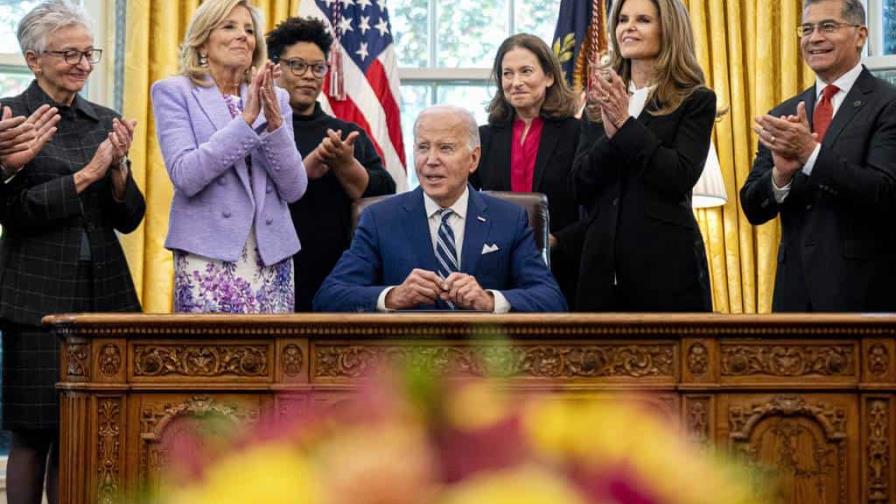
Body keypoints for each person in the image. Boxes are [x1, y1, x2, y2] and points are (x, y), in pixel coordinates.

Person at [0, 2, 145, 503]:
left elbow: (128, 218)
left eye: (89, 53)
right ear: (34, 58)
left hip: (101, 293)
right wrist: (86, 176)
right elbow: (14, 212)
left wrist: (119, 170)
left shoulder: (101, 120)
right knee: (33, 430)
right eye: (70, 54)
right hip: (35, 299)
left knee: (82, 429)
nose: (83, 64)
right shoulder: (8, 118)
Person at [313, 105, 566, 313]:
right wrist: (392, 296)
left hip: (485, 364)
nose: (431, 160)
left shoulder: (509, 219)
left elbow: (551, 299)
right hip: (408, 365)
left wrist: (489, 300)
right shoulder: (380, 219)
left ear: (473, 159)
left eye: (445, 148)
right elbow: (328, 297)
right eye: (423, 147)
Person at [152, 0, 307, 313]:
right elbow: (186, 175)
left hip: (271, 256)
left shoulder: (276, 97)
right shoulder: (174, 91)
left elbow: (294, 188)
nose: (243, 36)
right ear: (203, 41)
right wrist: (246, 121)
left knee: (272, 359)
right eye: (230, 26)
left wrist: (275, 124)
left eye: (249, 30)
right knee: (208, 359)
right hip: (207, 256)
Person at [741, 0, 896, 312]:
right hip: (794, 294)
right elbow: (753, 208)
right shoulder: (784, 113)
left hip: (864, 293)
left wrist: (810, 154)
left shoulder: (887, 103)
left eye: (828, 27)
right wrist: (780, 176)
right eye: (807, 29)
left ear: (861, 35)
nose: (814, 38)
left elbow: (885, 191)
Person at [572, 0, 715, 311]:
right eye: (622, 19)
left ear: (668, 29)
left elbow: (677, 176)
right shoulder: (599, 99)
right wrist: (611, 140)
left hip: (665, 270)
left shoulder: (695, 100)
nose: (628, 28)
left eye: (642, 20)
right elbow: (580, 184)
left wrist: (625, 125)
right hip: (599, 270)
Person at [266, 16, 395, 311]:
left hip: (335, 273)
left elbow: (385, 192)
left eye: (317, 67)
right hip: (269, 267)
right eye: (297, 65)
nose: (309, 75)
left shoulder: (346, 133)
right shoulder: (257, 129)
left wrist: (346, 165)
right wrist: (303, 169)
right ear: (274, 68)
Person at [473, 33, 583, 308]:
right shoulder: (483, 137)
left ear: (549, 77)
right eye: (507, 73)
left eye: (526, 71)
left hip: (562, 267)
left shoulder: (578, 133)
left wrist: (556, 240)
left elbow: (598, 208)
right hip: (494, 271)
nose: (516, 82)